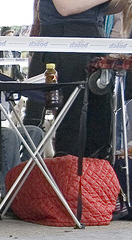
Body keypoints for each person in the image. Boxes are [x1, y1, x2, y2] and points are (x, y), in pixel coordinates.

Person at [25, 0, 117, 159]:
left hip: (96, 38)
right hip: (65, 40)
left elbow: (108, 7)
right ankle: (67, 175)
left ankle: (95, 176)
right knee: (71, 119)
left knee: (101, 120)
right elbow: (65, 7)